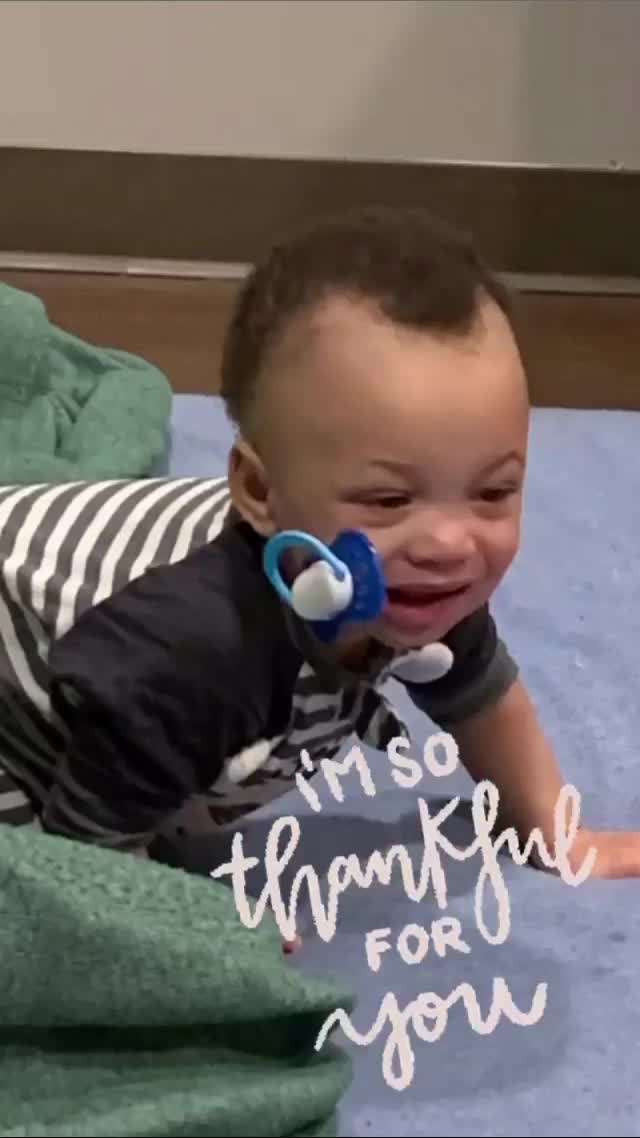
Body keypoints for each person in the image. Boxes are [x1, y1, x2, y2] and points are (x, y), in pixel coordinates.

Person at [42, 206, 640, 882]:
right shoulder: (197, 645)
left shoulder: (414, 578)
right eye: (389, 500)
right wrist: (200, 924)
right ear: (260, 492)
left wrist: (561, 838)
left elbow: (478, 691)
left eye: (493, 491)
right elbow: (78, 869)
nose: (449, 543)